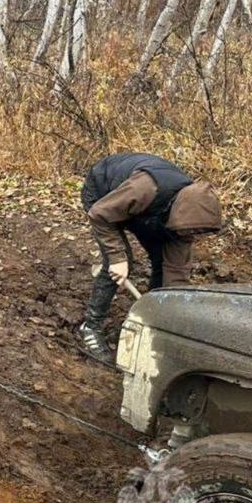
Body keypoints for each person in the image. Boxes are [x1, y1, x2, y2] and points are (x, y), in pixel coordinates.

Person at [77, 152, 223, 364]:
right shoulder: (146, 188)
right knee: (119, 261)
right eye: (186, 233)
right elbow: (100, 214)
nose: (188, 237)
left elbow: (176, 275)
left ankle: (151, 322)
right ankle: (90, 326)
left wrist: (170, 320)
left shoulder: (186, 220)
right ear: (178, 215)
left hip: (147, 211)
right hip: (105, 193)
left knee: (160, 258)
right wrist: (117, 258)